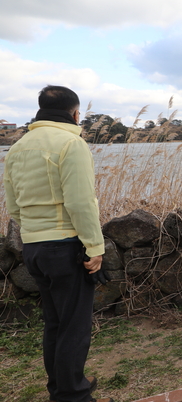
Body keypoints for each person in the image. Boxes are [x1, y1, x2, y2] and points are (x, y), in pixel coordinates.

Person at [3, 86, 112, 402]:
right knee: (74, 326)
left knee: (55, 323)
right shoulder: (71, 143)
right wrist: (95, 247)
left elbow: (13, 206)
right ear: (76, 113)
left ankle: (62, 387)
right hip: (64, 246)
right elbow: (81, 202)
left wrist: (35, 231)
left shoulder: (18, 147)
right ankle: (73, 395)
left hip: (34, 247)